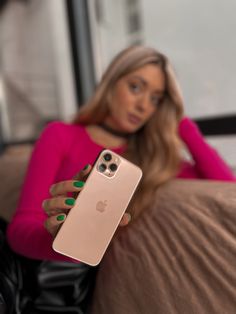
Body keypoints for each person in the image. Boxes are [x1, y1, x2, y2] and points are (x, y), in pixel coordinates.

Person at [5, 45, 236, 311]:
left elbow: (227, 190)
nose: (143, 106)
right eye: (136, 87)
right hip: (49, 285)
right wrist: (60, 240)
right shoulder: (60, 136)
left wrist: (180, 122)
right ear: (112, 82)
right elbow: (19, 230)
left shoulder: (153, 158)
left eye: (156, 99)